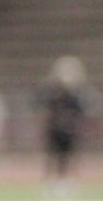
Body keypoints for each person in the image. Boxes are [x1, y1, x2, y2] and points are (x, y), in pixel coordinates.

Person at [40, 55, 97, 193]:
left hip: (70, 129)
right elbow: (40, 102)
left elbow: (86, 107)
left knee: (70, 154)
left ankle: (68, 180)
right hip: (55, 127)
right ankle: (51, 180)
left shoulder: (79, 91)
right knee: (53, 154)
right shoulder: (52, 89)